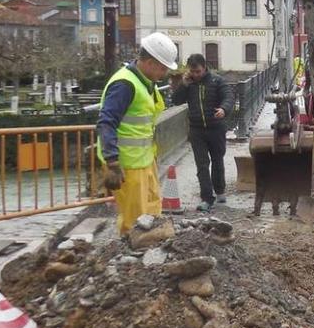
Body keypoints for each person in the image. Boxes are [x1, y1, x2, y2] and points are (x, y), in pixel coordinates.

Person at [97, 32, 178, 234]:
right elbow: (106, 122)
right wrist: (113, 162)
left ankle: (149, 255)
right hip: (128, 165)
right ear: (150, 63)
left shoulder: (144, 82)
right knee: (135, 221)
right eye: (162, 67)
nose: (165, 72)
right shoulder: (125, 84)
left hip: (143, 160)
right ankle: (130, 260)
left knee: (152, 211)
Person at [171, 54, 234, 212]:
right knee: (202, 165)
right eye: (193, 72)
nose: (196, 75)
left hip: (216, 128)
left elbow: (228, 96)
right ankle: (206, 198)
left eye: (198, 71)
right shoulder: (189, 84)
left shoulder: (217, 81)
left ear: (205, 68)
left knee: (217, 161)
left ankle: (219, 190)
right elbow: (176, 101)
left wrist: (224, 109)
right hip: (196, 130)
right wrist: (183, 85)